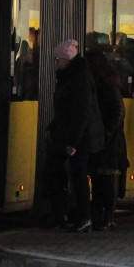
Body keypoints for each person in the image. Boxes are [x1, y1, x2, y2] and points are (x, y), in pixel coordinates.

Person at [45, 39, 105, 233]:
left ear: (66, 59)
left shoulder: (78, 78)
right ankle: (62, 214)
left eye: (58, 59)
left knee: (78, 176)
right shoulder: (71, 76)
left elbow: (81, 113)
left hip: (79, 138)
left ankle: (83, 217)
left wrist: (73, 142)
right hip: (67, 134)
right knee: (59, 171)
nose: (56, 63)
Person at [86, 51, 127, 231]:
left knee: (105, 180)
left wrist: (106, 134)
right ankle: (102, 216)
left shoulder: (107, 88)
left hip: (109, 143)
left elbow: (118, 112)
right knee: (101, 180)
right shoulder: (106, 84)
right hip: (106, 140)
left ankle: (106, 217)